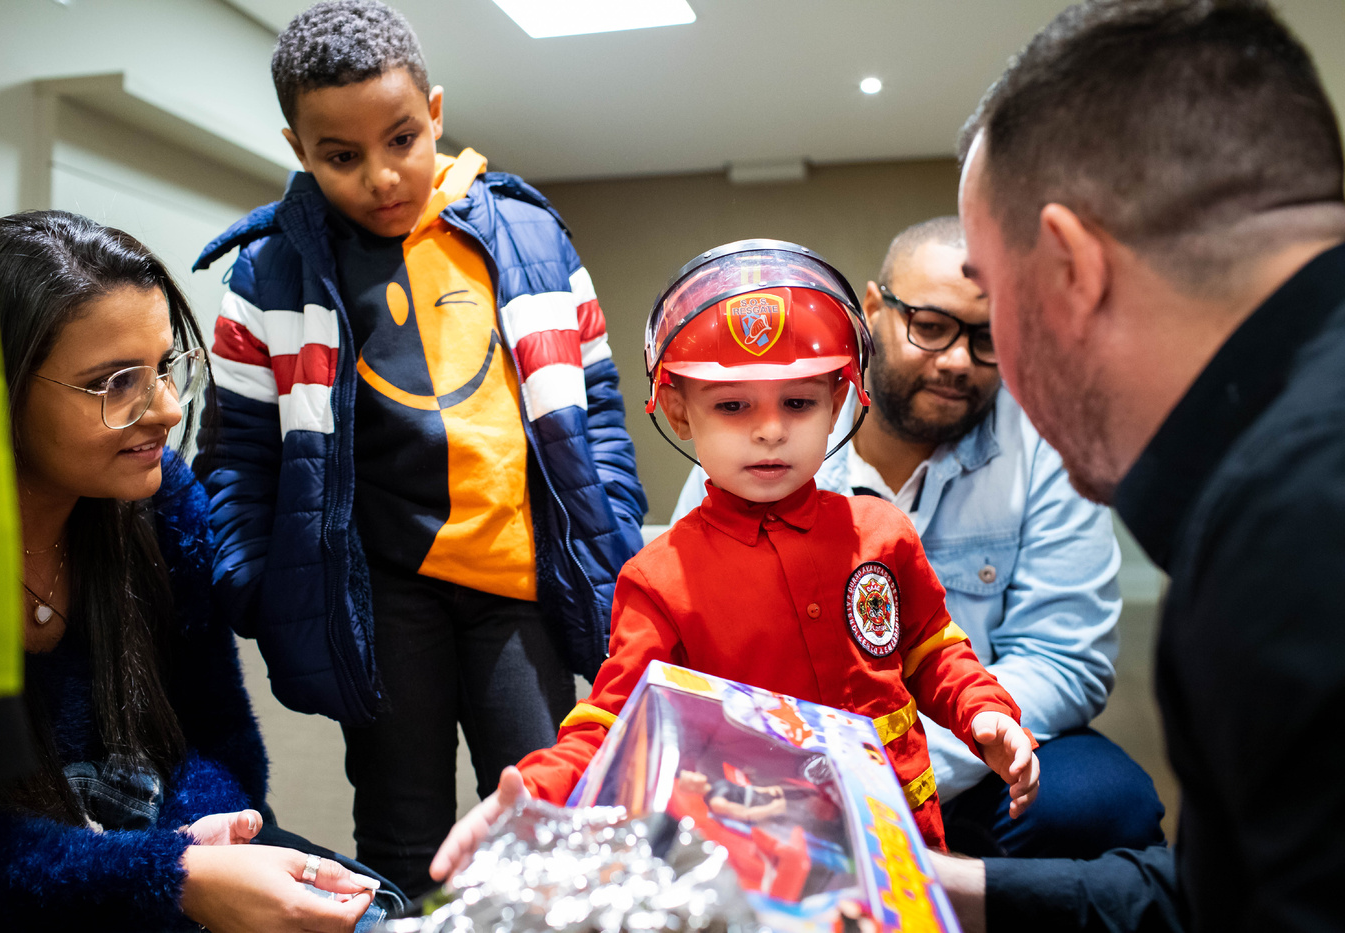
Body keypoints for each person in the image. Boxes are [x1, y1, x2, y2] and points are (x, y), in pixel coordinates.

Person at [193, 0, 647, 898]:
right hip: (379, 598)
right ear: (298, 149)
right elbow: (237, 453)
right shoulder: (269, 270)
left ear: (435, 113)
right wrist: (256, 583)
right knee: (402, 839)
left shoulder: (531, 235)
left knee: (543, 827)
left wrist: (616, 533)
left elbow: (595, 406)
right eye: (341, 156)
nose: (381, 176)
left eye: (401, 138)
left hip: (518, 584)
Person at [431, 240, 1040, 879]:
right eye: (732, 405)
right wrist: (539, 788)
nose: (770, 429)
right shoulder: (658, 578)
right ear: (678, 411)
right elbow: (614, 720)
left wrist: (985, 711)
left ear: (837, 403)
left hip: (905, 842)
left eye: (798, 403)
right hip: (758, 861)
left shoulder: (882, 532)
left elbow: (932, 650)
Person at [936, 0, 1345, 930]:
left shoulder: (1293, 519)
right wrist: (932, 883)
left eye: (993, 302)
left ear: (1072, 268)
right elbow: (1220, 897)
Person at [0, 210, 386, 932]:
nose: (166, 409)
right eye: (114, 382)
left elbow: (216, 740)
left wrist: (199, 841)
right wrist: (169, 873)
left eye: (162, 367)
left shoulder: (161, 503)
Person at [675, 216, 1164, 859]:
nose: (958, 361)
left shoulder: (1046, 444)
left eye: (987, 338)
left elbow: (1062, 657)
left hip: (974, 751)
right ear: (874, 311)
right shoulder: (767, 445)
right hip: (787, 765)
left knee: (1103, 803)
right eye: (930, 327)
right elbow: (687, 660)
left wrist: (895, 765)